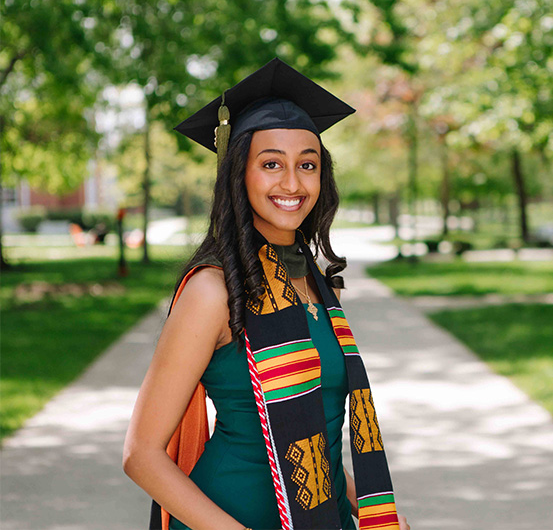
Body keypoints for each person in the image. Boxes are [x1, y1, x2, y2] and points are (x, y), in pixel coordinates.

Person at [123, 58, 410, 530]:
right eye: (271, 164)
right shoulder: (212, 289)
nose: (293, 183)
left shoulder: (313, 280)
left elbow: (312, 436)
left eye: (308, 165)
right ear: (239, 173)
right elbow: (141, 455)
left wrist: (374, 509)